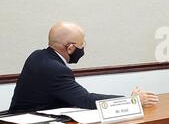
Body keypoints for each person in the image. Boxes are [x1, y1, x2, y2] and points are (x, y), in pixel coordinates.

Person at [9, 21, 159, 113]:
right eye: (82, 44)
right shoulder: (55, 69)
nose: (83, 48)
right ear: (70, 48)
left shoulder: (38, 56)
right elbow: (86, 100)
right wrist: (132, 101)